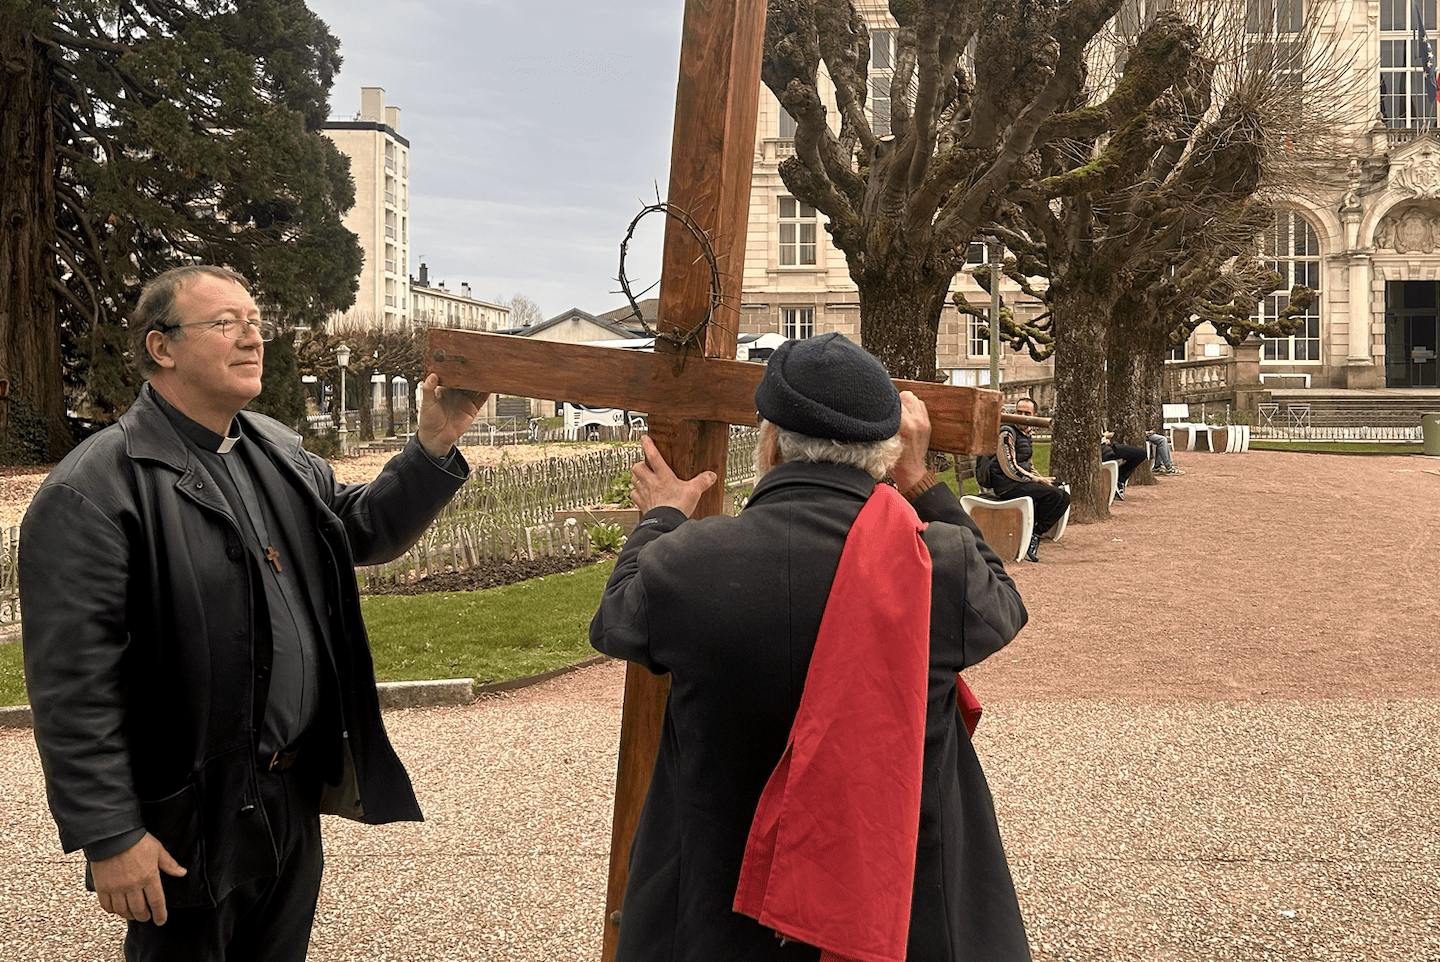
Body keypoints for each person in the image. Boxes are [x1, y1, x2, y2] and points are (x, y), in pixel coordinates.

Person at [20, 265, 487, 962]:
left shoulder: (275, 450)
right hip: (187, 814)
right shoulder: (94, 490)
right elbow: (72, 687)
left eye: (256, 322)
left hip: (287, 797)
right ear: (161, 347)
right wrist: (110, 834)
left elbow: (358, 529)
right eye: (225, 324)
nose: (252, 338)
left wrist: (433, 447)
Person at [590, 332, 1030, 962]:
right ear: (885, 453)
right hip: (904, 915)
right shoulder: (937, 564)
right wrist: (921, 480)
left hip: (715, 916)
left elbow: (615, 621)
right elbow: (1004, 605)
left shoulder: (690, 563)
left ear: (770, 442)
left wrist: (662, 518)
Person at [986, 395, 1071, 563]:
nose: (1022, 417)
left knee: (1063, 496)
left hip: (1020, 483)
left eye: (1027, 413)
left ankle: (1034, 532)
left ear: (1034, 415)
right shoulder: (1006, 432)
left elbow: (1028, 465)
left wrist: (1042, 478)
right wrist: (1036, 481)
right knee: (1053, 496)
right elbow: (1009, 468)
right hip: (1007, 485)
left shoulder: (1026, 433)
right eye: (1019, 412)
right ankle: (1033, 535)